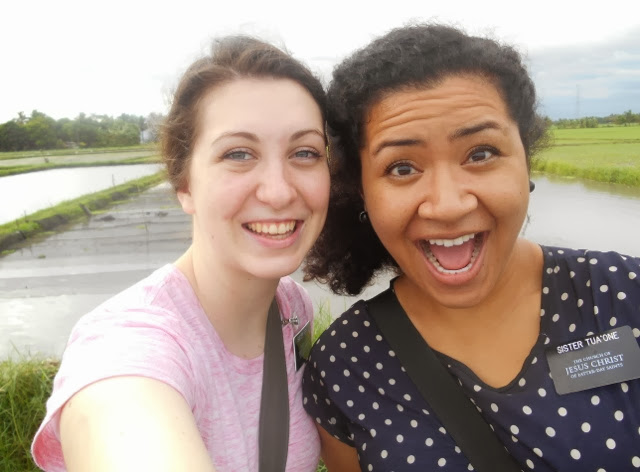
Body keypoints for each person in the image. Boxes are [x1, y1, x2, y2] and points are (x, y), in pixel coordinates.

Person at [302, 24, 640, 472]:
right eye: (402, 167)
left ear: (526, 160)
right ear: (361, 189)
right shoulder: (346, 365)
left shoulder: (626, 293)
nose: (448, 205)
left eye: (480, 154)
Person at [32, 35, 329, 472]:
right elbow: (123, 413)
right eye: (238, 154)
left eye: (305, 152)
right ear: (184, 184)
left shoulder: (291, 307)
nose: (279, 191)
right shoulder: (129, 343)